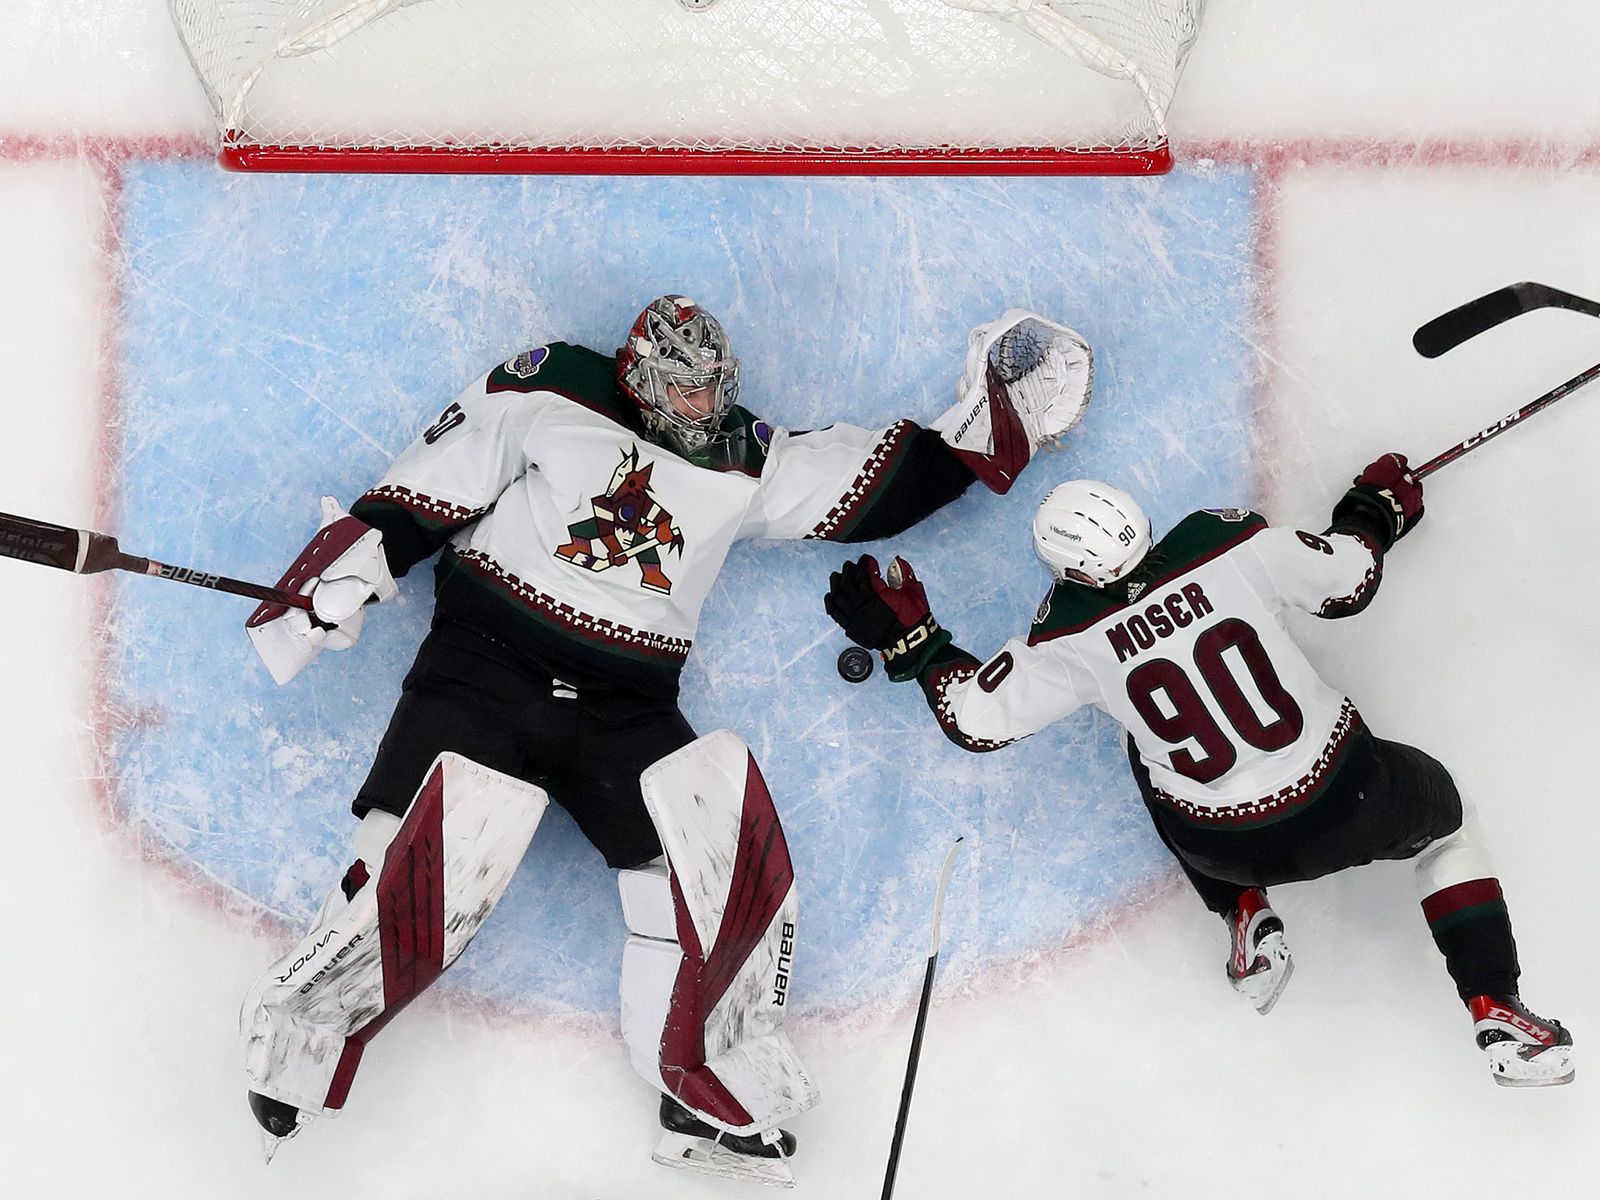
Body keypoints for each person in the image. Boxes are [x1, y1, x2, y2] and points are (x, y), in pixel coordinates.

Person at [236, 296, 1095, 1184]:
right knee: (431, 854)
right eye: (681, 390)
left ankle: (701, 1084)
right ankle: (297, 1033)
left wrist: (992, 424)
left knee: (722, 861)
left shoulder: (744, 454)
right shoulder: (556, 385)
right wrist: (339, 579)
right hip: (483, 672)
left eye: (712, 389)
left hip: (626, 709)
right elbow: (425, 484)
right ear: (638, 375)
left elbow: (871, 487)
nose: (700, 407)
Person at [823, 454, 1574, 1088]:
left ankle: (1245, 914)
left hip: (1222, 844)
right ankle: (1494, 1005)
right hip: (1353, 797)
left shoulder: (1066, 640)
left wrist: (912, 640)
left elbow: (974, 721)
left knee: (1143, 748)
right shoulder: (1227, 544)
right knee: (1446, 829)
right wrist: (1375, 508)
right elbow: (1350, 581)